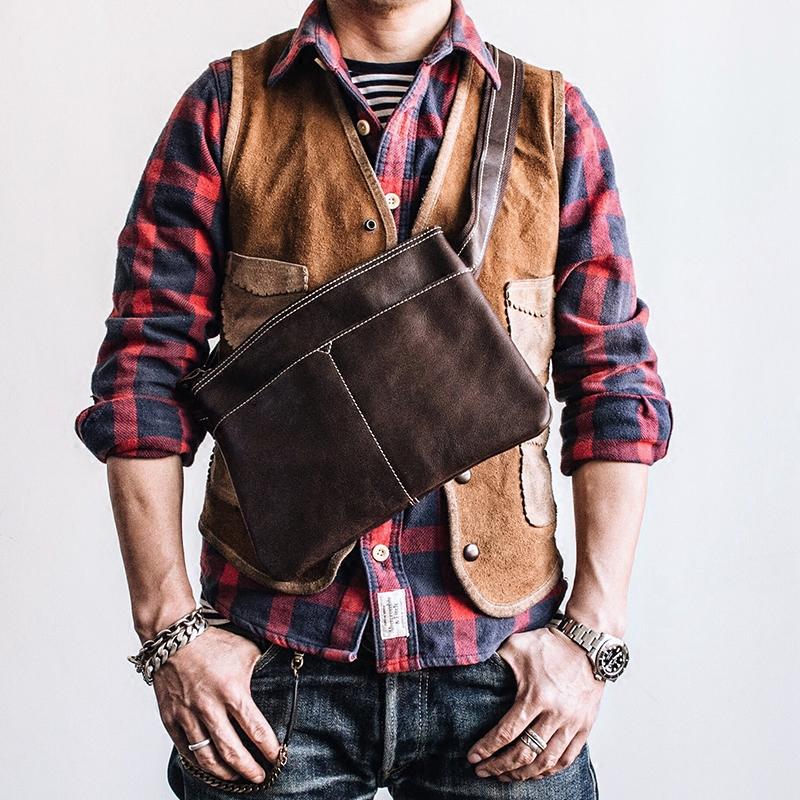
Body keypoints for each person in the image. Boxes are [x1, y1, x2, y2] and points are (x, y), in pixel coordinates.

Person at [74, 1, 673, 797]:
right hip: (269, 675)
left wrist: (592, 639)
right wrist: (170, 636)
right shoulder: (226, 107)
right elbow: (141, 376)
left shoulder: (551, 119)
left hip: (503, 677)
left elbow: (615, 382)